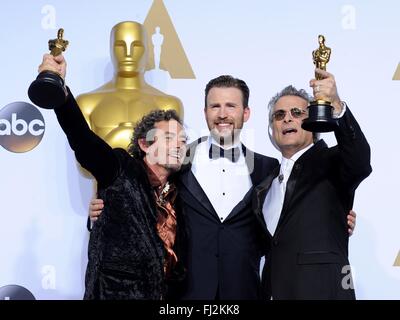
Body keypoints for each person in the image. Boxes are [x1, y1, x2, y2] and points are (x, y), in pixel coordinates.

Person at [90, 75, 358, 300]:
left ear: (246, 113)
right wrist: (102, 213)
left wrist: (335, 219)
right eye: (215, 106)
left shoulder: (269, 169)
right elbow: (141, 198)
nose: (222, 114)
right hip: (186, 294)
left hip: (246, 292)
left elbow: (291, 218)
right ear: (205, 112)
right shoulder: (179, 161)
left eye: (231, 105)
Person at [37, 53, 187, 299]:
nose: (179, 145)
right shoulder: (119, 168)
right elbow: (82, 139)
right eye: (169, 138)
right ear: (145, 144)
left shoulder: (182, 189)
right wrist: (59, 91)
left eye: (182, 140)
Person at [253, 68, 372, 299]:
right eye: (279, 115)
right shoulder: (264, 185)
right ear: (272, 128)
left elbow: (360, 160)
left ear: (313, 121)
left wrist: (335, 104)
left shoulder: (333, 162)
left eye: (297, 112)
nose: (287, 118)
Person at [76, 21, 183, 149]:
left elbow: (173, 157)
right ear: (111, 49)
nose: (128, 53)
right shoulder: (87, 103)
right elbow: (83, 160)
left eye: (136, 46)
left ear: (147, 51)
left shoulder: (168, 105)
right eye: (120, 46)